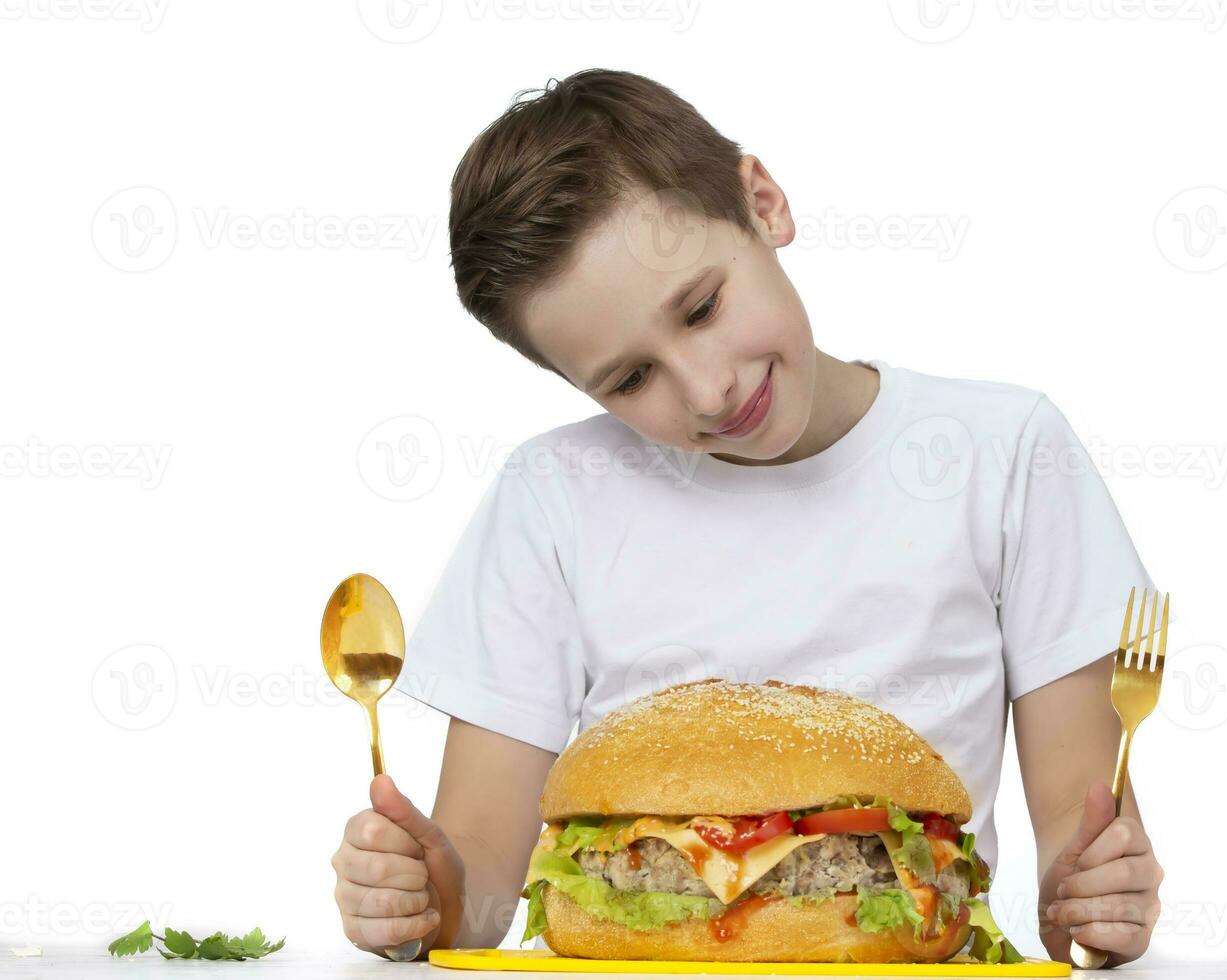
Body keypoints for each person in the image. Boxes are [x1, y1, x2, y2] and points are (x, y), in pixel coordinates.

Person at [329, 69, 1167, 968]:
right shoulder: (551, 494)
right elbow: (482, 892)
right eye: (630, 379)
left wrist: (1096, 901)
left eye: (701, 307)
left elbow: (1070, 865)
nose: (708, 388)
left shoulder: (1007, 452)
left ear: (762, 202)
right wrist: (417, 897)